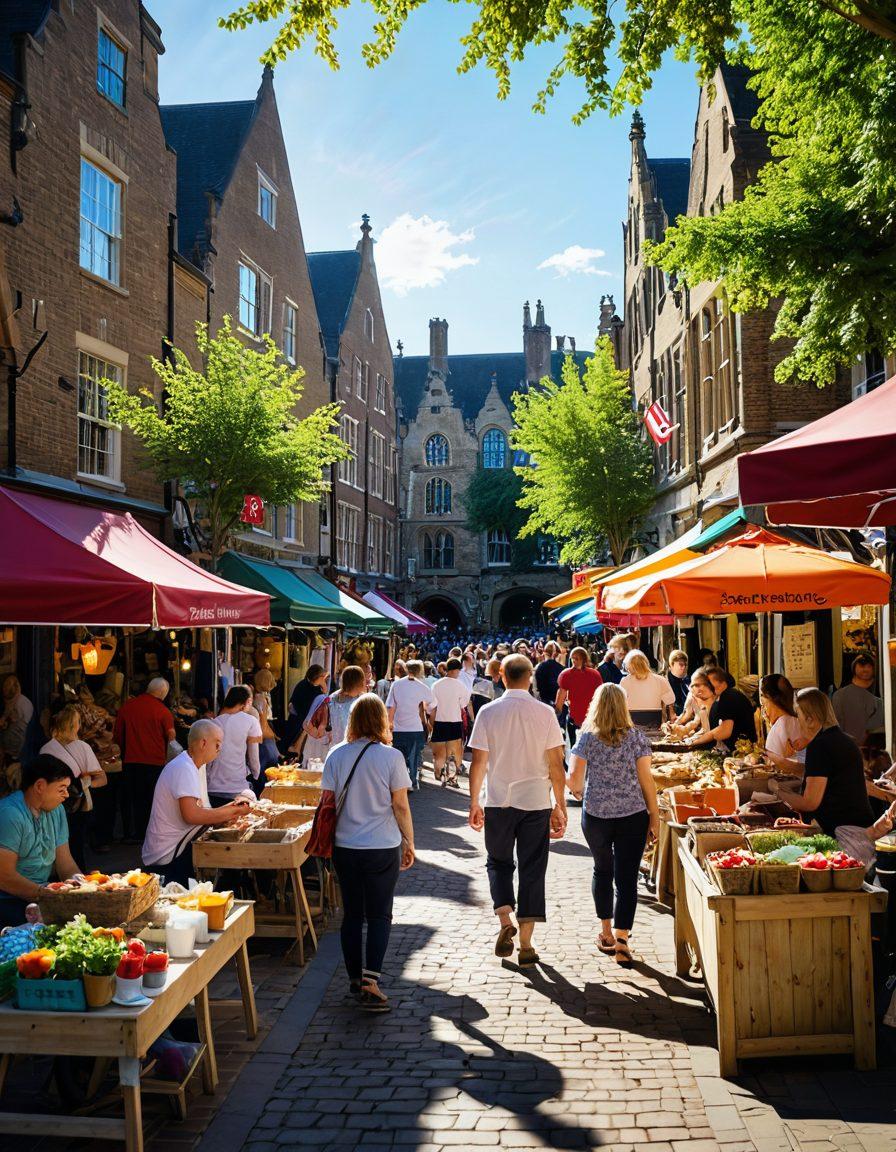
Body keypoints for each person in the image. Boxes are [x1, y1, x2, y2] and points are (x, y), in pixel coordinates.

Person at [467, 655, 567, 967]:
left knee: (498, 862)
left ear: (501, 675)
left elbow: (478, 763)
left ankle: (504, 917)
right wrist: (560, 804)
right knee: (532, 868)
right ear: (530, 676)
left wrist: (474, 801)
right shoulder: (545, 713)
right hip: (535, 801)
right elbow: (556, 764)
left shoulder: (488, 712)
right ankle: (525, 944)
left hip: (498, 800)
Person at [322, 694, 415, 1013]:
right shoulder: (391, 757)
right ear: (381, 721)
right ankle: (371, 979)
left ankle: (354, 978)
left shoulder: (336, 754)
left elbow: (327, 803)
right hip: (382, 846)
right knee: (379, 915)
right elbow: (400, 805)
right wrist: (409, 841)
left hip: (345, 846)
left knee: (352, 914)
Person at [567, 683, 659, 966]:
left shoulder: (586, 738)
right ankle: (622, 941)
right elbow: (646, 779)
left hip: (596, 816)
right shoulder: (636, 738)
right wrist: (654, 816)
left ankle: (605, 932)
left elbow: (575, 781)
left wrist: (576, 789)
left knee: (602, 870)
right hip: (633, 814)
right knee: (627, 878)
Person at [142, 719, 250, 887]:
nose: (219, 749)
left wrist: (232, 807)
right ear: (203, 743)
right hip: (166, 857)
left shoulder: (195, 766)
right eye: (217, 744)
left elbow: (203, 811)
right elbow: (192, 815)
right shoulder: (184, 767)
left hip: (179, 848)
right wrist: (234, 811)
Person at [771, 688, 873, 845]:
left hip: (843, 834)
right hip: (857, 829)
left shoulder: (820, 745)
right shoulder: (843, 739)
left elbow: (810, 802)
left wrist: (777, 793)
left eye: (799, 716)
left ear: (810, 720)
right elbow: (826, 775)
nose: (798, 722)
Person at [0, 755, 82, 927]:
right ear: (39, 786)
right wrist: (45, 895)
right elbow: (4, 876)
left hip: (42, 893)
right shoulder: (10, 814)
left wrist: (85, 887)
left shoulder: (57, 810)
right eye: (61, 789)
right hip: (8, 897)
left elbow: (66, 864)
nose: (66, 795)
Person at [41, 704, 108, 864]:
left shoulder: (45, 749)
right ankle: (76, 875)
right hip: (77, 806)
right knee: (76, 847)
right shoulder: (83, 747)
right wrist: (85, 784)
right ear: (75, 726)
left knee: (55, 846)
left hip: (51, 805)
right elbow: (102, 779)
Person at [113, 678, 176, 842]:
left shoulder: (128, 706)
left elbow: (117, 735)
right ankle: (148, 833)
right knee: (151, 800)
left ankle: (130, 834)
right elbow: (171, 738)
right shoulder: (163, 711)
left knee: (131, 799)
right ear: (163, 693)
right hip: (155, 763)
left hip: (130, 760)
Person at [207, 686, 263, 805]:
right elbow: (254, 759)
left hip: (213, 788)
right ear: (247, 702)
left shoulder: (215, 722)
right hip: (238, 788)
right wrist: (255, 774)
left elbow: (209, 761)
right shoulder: (251, 721)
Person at [386, 660, 434, 791]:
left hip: (398, 727)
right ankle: (411, 782)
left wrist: (389, 724)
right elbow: (432, 702)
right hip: (415, 728)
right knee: (413, 757)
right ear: (420, 671)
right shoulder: (422, 686)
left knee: (398, 758)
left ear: (406, 669)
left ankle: (398, 783)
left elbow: (391, 706)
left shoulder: (396, 684)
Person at [686, 667, 757, 750]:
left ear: (723, 683)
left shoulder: (728, 696)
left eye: (709, 682)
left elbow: (725, 731)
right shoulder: (723, 697)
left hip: (742, 751)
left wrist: (696, 742)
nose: (708, 685)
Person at [427, 658, 471, 787]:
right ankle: (452, 777)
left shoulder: (437, 684)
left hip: (440, 721)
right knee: (454, 751)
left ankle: (440, 774)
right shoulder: (460, 686)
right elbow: (463, 704)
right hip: (455, 721)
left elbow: (432, 704)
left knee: (440, 751)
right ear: (456, 670)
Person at [832, 655, 884, 746]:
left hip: (871, 749)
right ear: (854, 667)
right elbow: (836, 726)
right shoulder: (840, 695)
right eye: (862, 665)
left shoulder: (882, 695)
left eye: (869, 666)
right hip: (846, 748)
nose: (865, 669)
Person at [555, 647, 603, 746]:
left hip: (590, 718)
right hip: (580, 718)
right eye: (572, 658)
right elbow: (561, 696)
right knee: (582, 746)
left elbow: (600, 696)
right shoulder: (567, 674)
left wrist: (557, 713)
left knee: (578, 747)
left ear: (583, 659)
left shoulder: (594, 674)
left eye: (577, 658)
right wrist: (557, 712)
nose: (574, 661)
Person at [759, 674, 807, 770]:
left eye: (762, 695)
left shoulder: (779, 726)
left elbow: (775, 766)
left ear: (769, 697)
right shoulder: (797, 721)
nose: (761, 702)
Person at [620, 650, 676, 729]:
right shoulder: (660, 680)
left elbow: (620, 704)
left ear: (629, 666)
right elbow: (670, 701)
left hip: (632, 724)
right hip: (655, 722)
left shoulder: (624, 681)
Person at [283, 664, 328, 753]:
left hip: (301, 719)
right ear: (317, 678)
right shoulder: (308, 688)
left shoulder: (310, 685)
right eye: (322, 677)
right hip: (299, 721)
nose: (324, 679)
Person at [252, 669, 281, 777]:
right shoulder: (261, 699)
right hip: (264, 732)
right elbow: (263, 726)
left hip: (263, 729)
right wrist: (273, 736)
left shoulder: (257, 697)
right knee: (269, 763)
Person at [0, 675, 34, 763]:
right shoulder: (9, 703)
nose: (5, 688)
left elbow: (24, 730)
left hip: (17, 755)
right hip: (9, 752)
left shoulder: (23, 704)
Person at [534, 642, 565, 708]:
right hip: (558, 704)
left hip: (543, 703)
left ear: (545, 652)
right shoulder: (562, 669)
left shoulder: (539, 667)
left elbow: (535, 689)